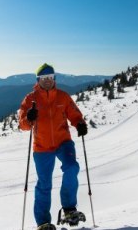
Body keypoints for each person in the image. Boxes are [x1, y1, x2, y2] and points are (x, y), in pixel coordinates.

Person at [19, 63, 88, 230]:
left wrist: (79, 123)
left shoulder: (62, 97)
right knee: (44, 183)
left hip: (63, 142)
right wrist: (29, 118)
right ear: (38, 80)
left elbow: (74, 113)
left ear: (54, 78)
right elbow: (23, 125)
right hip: (42, 146)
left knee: (72, 168)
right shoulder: (30, 99)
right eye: (44, 78)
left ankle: (69, 209)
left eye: (50, 77)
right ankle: (43, 222)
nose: (48, 81)